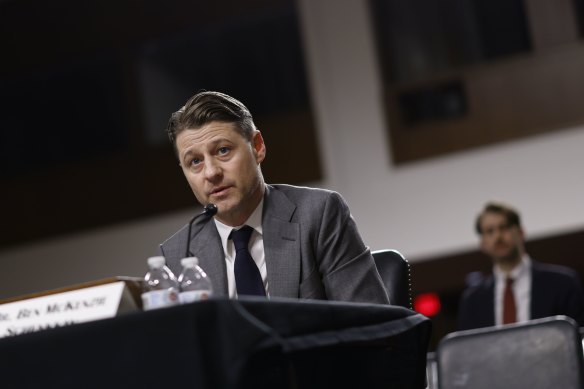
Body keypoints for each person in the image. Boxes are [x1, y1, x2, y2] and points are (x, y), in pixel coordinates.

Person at [159, 91, 389, 304]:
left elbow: (371, 324)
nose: (211, 173)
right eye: (195, 162)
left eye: (223, 150)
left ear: (257, 146)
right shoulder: (178, 254)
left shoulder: (318, 214)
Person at [457, 201, 584, 330]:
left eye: (504, 227)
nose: (498, 236)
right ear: (483, 244)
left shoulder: (562, 283)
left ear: (521, 233)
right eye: (490, 231)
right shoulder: (472, 301)